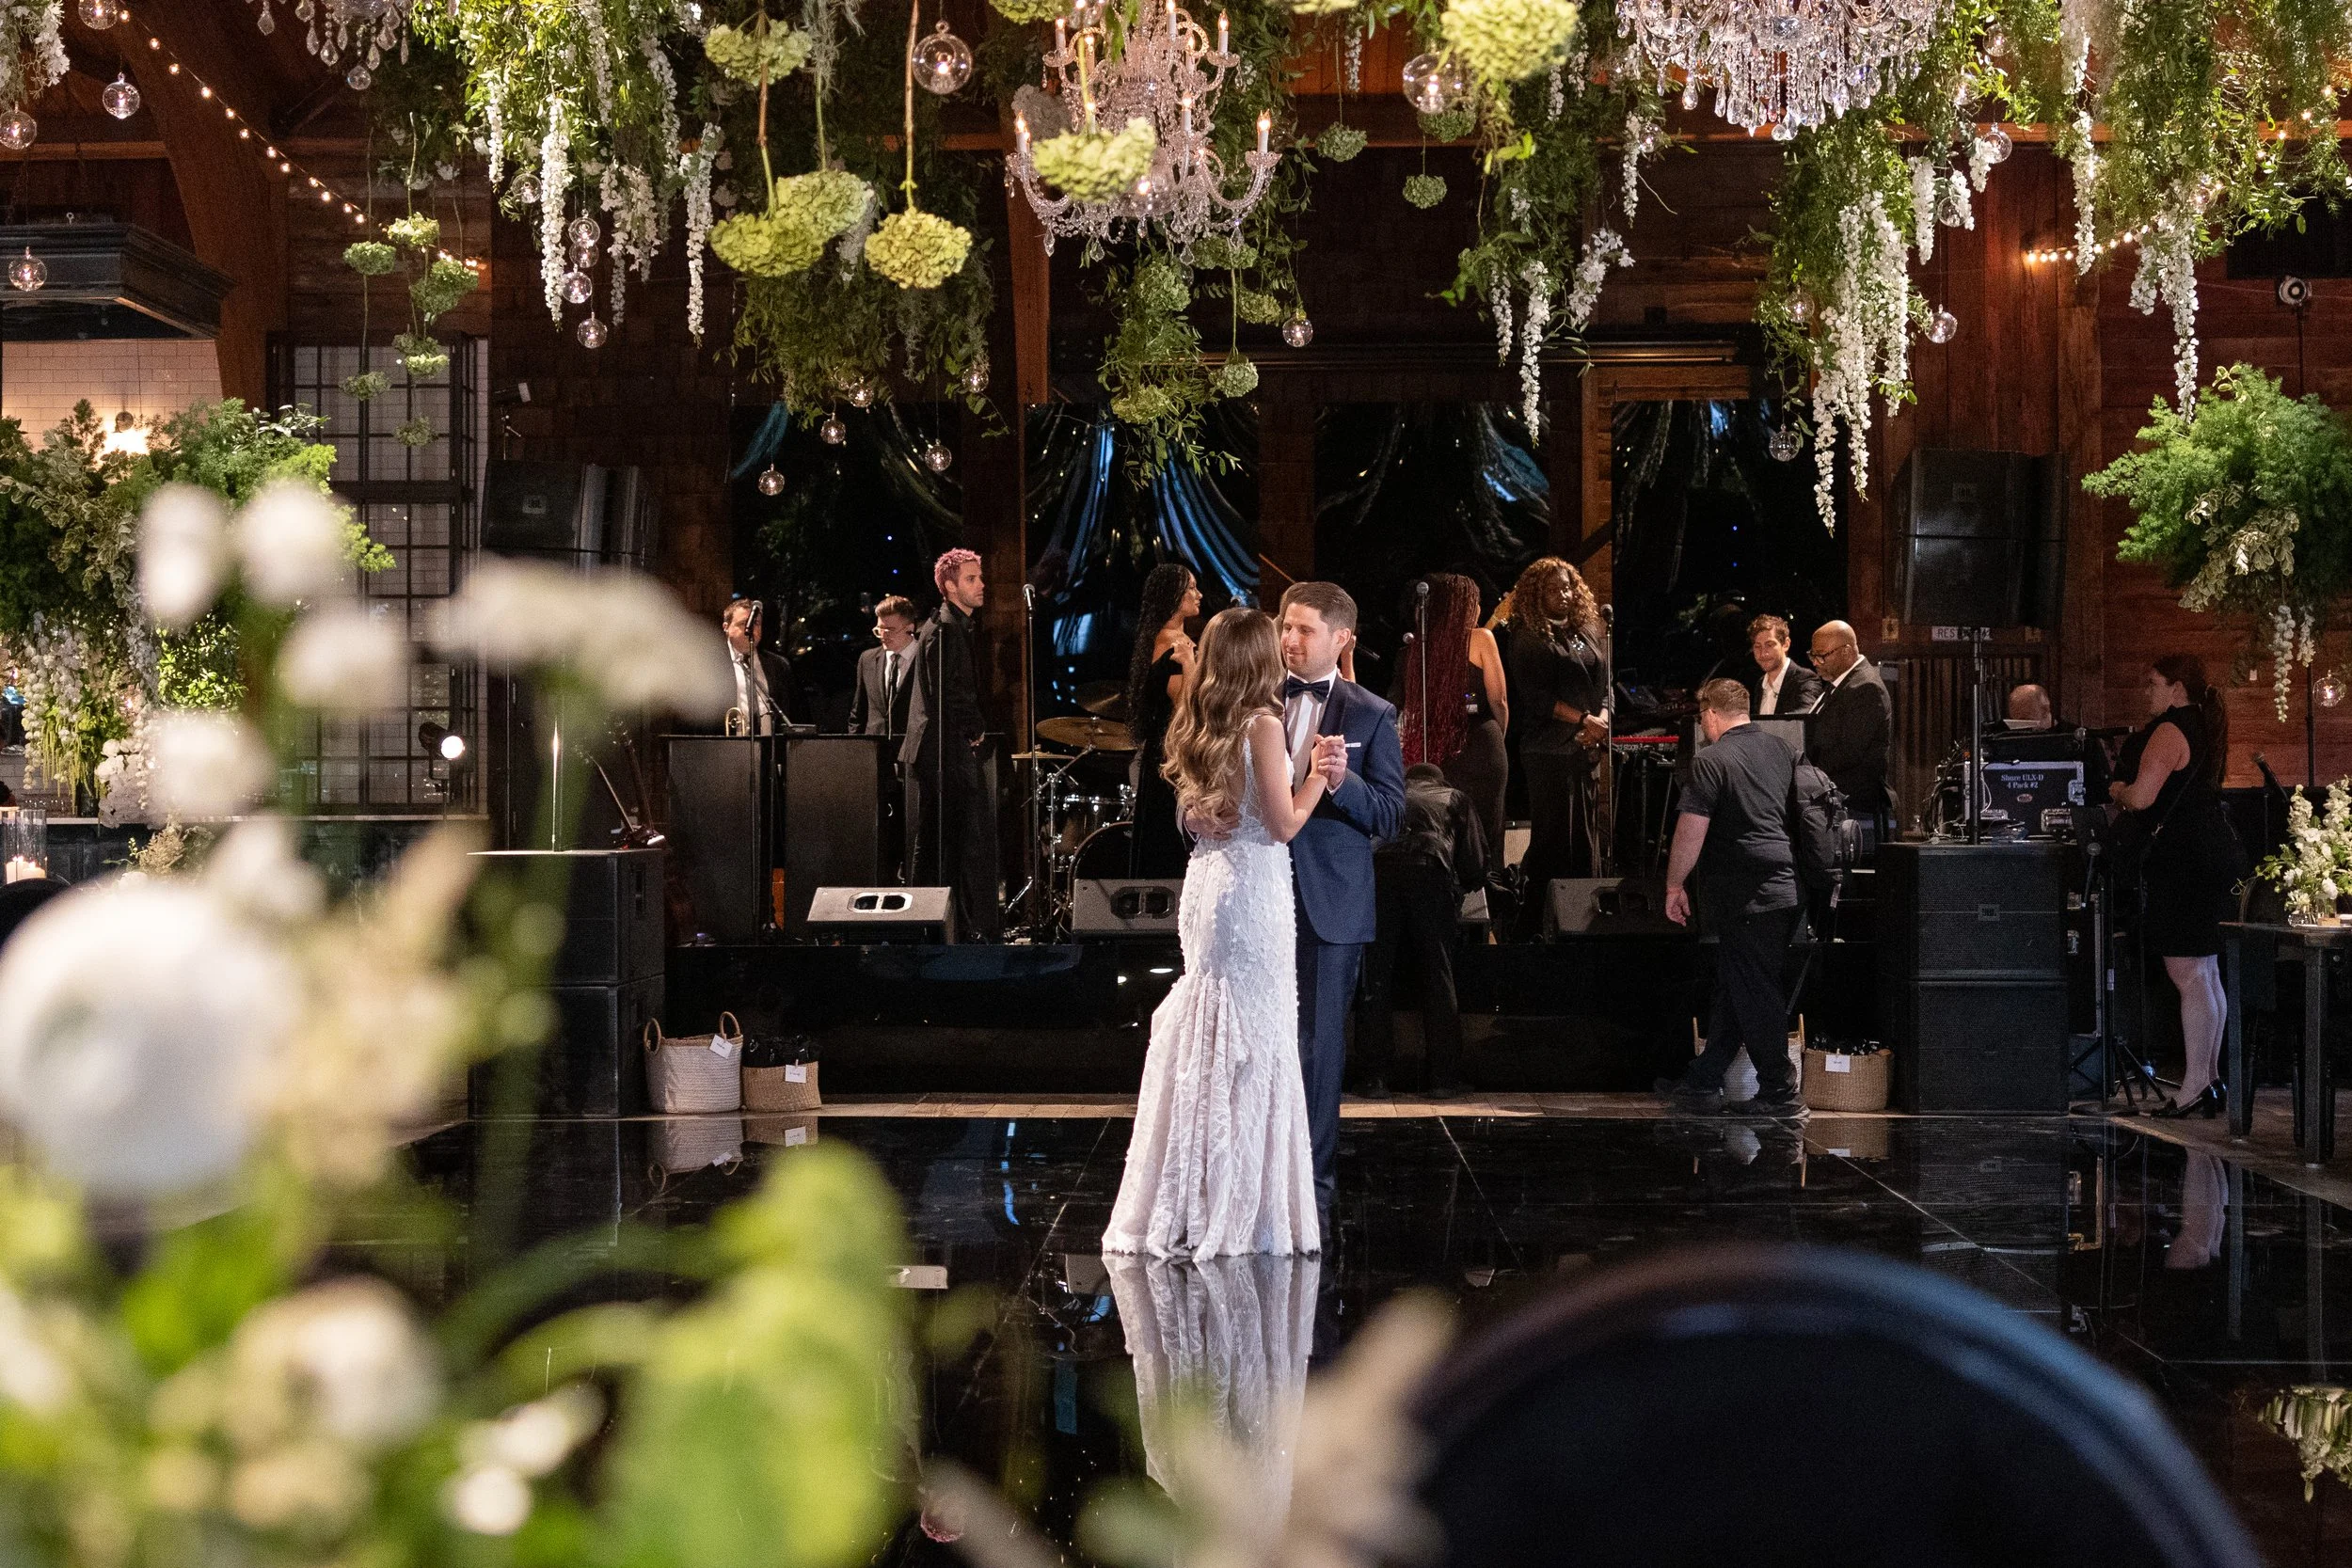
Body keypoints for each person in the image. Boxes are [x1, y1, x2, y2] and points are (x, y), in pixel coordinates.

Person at [1102, 606, 1326, 1258]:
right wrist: (1316, 779)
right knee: (1253, 1034)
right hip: (1253, 889)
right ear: (1260, 657)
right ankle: (1239, 1207)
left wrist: (1202, 811)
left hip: (1208, 887)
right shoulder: (1261, 723)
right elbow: (1283, 824)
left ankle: (1193, 1195)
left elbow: (1194, 807)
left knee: (1210, 1022)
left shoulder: (1202, 718)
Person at [1275, 581, 1406, 1212]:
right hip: (1260, 894)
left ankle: (1312, 1185)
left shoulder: (1371, 713)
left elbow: (1392, 815)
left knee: (1321, 1047)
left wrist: (1342, 781)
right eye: (1285, 626)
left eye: (1303, 629)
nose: (1289, 640)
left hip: (1333, 901)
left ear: (1341, 638)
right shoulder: (1255, 701)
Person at [1656, 679, 1805, 1119]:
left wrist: (1673, 885)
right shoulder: (1781, 750)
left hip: (1748, 895)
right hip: (1786, 887)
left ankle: (1781, 1093)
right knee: (1738, 986)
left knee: (1754, 991)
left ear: (1711, 714)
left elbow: (1691, 829)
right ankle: (1704, 1080)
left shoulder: (1711, 760)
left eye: (1701, 716)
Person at [2110, 654, 2243, 1118]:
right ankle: (2208, 1081)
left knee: (2188, 975)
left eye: (2153, 684)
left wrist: (2117, 792)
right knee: (2205, 973)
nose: (2147, 693)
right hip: (2212, 854)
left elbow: (2143, 797)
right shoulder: (2205, 724)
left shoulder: (2169, 730)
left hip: (2185, 861)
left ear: (2177, 688)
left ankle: (2191, 1087)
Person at [1358, 763, 1487, 1099]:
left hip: (1380, 877)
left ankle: (1375, 1079)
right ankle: (1443, 1079)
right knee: (1437, 975)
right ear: (1439, 781)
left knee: (1375, 978)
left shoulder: (1388, 795)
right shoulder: (1454, 797)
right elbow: (1474, 864)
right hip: (1430, 876)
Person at [1497, 557, 1609, 939]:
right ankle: (1540, 925)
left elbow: (1603, 684)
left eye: (1568, 588)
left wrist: (1602, 719)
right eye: (1554, 590)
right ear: (1536, 594)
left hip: (1587, 747)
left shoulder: (1588, 630)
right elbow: (1535, 697)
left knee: (1587, 836)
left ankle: (1586, 921)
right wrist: (1583, 721)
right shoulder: (1528, 635)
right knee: (1555, 837)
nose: (1564, 595)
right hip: (1547, 750)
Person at [902, 549, 1003, 942]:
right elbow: (948, 693)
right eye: (972, 579)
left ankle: (944, 927)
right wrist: (974, 729)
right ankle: (936, 930)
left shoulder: (950, 626)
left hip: (943, 749)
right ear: (949, 586)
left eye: (980, 578)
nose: (981, 585)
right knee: (944, 843)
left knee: (942, 842)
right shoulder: (944, 629)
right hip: (941, 752)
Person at [1393, 573, 1509, 870]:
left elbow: (1400, 706)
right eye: (1476, 602)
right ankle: (1486, 905)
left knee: (1442, 834)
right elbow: (1499, 701)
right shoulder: (1481, 638)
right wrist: (1498, 736)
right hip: (1481, 745)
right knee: (1483, 836)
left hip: (1435, 750)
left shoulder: (1414, 651)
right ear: (1463, 607)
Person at [1125, 562, 1203, 878]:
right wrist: (1190, 664)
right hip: (1171, 755)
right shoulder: (1174, 643)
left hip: (1163, 750)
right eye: (1192, 588)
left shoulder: (1158, 637)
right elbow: (1187, 704)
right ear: (1174, 596)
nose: (1199, 595)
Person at [1804, 619, 1891, 825]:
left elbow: (1848, 752)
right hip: (1832, 799)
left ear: (1846, 651)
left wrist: (1802, 772)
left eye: (1822, 655)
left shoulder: (1866, 687)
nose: (1815, 662)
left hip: (1853, 806)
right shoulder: (1840, 683)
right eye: (1812, 655)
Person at [848, 595, 918, 740]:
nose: (883, 636)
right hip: (874, 751)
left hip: (914, 750)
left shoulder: (927, 659)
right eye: (880, 629)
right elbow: (859, 712)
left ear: (910, 628)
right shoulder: (867, 659)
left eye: (891, 630)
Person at [721, 596, 791, 735]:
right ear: (726, 627)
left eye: (756, 623)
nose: (751, 629)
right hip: (724, 750)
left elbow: (792, 711)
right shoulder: (711, 664)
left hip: (769, 750)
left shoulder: (779, 665)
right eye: (743, 623)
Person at [1746, 614, 1821, 718]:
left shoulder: (1805, 679)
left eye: (1770, 645)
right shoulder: (1760, 684)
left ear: (1786, 644)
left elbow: (1805, 715)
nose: (1763, 653)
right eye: (1757, 646)